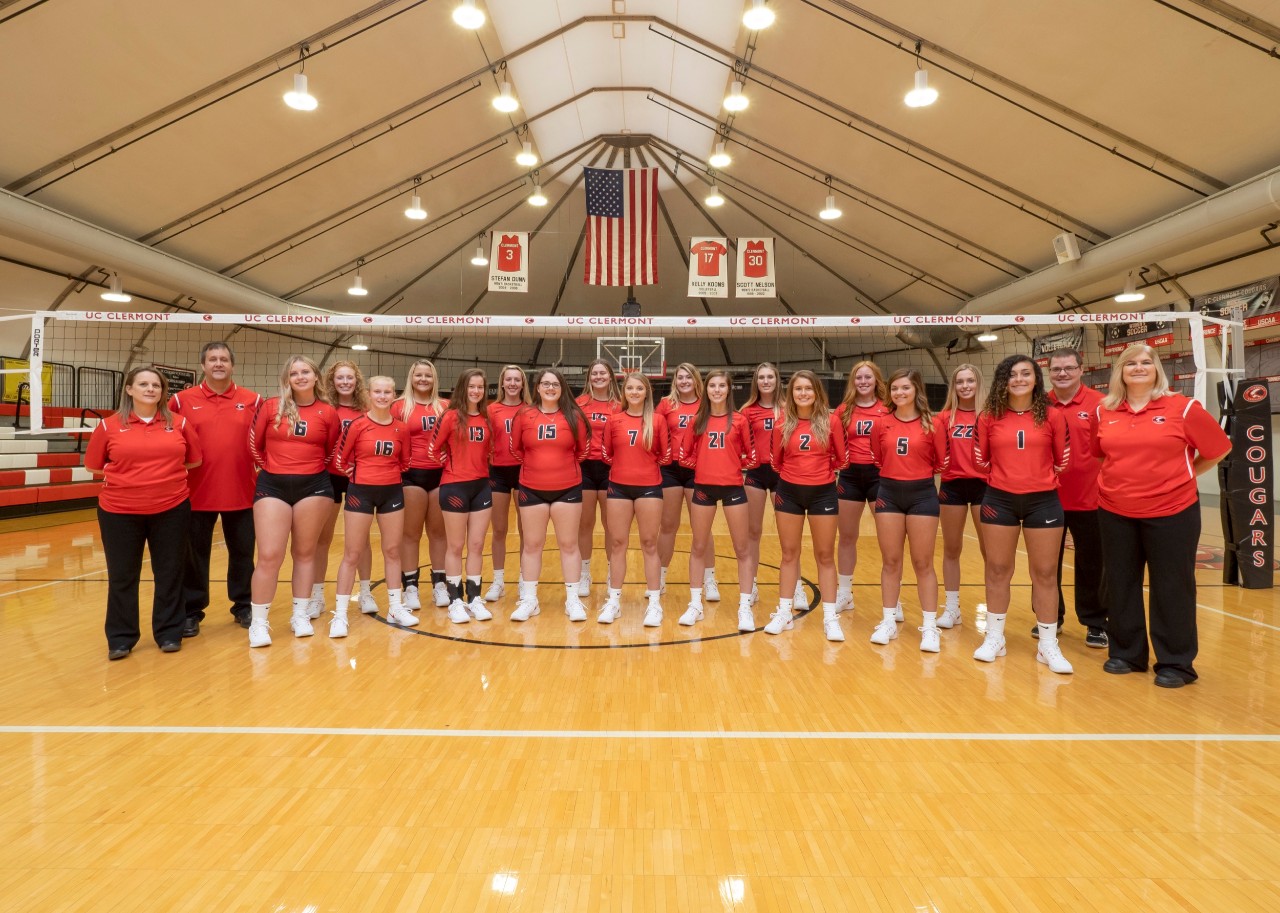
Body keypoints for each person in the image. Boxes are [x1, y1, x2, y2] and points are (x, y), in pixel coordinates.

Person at [1092, 344, 1230, 688]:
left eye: (1146, 362)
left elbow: (1219, 449)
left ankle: (1176, 662)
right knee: (1121, 583)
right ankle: (1126, 653)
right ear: (1120, 371)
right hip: (1114, 509)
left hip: (1173, 511)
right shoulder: (1104, 411)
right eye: (1130, 363)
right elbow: (1100, 455)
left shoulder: (1183, 408)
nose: (1138, 368)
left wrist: (1183, 476)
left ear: (1156, 369)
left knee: (1172, 586)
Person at [86, 366, 202, 660]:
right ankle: (121, 639)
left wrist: (160, 478)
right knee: (123, 575)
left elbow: (193, 460)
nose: (150, 389)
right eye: (143, 384)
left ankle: (169, 633)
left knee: (169, 573)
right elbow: (94, 465)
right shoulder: (109, 426)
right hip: (119, 512)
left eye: (156, 385)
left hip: (171, 509)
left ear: (163, 392)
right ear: (129, 389)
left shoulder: (179, 423)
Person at [972, 354, 1072, 673]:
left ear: (1035, 379)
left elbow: (1062, 460)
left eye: (1025, 374)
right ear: (1003, 380)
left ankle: (1047, 645)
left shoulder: (1053, 417)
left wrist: (1035, 478)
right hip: (999, 499)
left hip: (1042, 501)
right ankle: (995, 638)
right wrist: (1007, 478)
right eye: (1012, 374)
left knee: (1044, 573)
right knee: (998, 569)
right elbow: (980, 460)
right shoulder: (989, 416)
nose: (1018, 379)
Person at [248, 355, 342, 647]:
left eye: (305, 372)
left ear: (316, 377)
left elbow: (331, 450)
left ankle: (299, 615)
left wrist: (306, 471)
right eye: (294, 373)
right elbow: (254, 444)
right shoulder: (271, 406)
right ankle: (259, 624)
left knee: (304, 553)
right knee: (269, 556)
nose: (300, 377)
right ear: (286, 379)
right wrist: (275, 468)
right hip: (272, 485)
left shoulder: (327, 412)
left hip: (313, 486)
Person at [170, 343, 260, 636]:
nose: (218, 363)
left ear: (232, 366)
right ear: (203, 365)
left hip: (243, 491)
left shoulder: (253, 400)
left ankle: (244, 604)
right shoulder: (181, 401)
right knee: (194, 556)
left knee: (243, 553)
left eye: (224, 359)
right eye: (212, 359)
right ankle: (192, 611)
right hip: (196, 493)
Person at [764, 370, 846, 641]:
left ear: (817, 392)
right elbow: (775, 461)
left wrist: (819, 474)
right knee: (789, 554)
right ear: (791, 394)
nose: (803, 393)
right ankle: (784, 612)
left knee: (825, 555)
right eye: (798, 389)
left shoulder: (831, 421)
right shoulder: (781, 423)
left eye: (808, 389)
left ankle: (830, 618)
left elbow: (842, 459)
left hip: (823, 493)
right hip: (789, 491)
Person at [869, 368, 947, 652]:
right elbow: (878, 458)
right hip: (888, 492)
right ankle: (889, 620)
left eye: (905, 388)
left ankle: (929, 627)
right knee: (890, 561)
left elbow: (940, 462)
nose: (899, 393)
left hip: (922, 494)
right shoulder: (882, 423)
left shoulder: (933, 424)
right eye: (894, 389)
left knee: (923, 562)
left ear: (916, 390)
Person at [331, 375, 414, 636]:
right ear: (369, 394)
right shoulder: (357, 425)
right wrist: (361, 475)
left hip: (392, 492)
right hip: (360, 493)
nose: (382, 396)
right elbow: (339, 460)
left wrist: (384, 474)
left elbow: (405, 461)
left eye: (387, 392)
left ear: (394, 395)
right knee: (352, 553)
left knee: (392, 550)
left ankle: (395, 607)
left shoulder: (402, 428)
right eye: (377, 391)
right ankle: (340, 615)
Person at [675, 369, 758, 628]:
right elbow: (682, 455)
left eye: (722, 385)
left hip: (733, 488)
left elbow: (752, 456)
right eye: (712, 385)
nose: (717, 390)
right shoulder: (698, 420)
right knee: (698, 546)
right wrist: (701, 466)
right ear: (706, 389)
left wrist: (734, 465)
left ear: (729, 389)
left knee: (742, 549)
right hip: (703, 488)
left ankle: (745, 607)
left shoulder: (740, 421)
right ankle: (695, 604)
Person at [509, 368, 590, 621]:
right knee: (532, 545)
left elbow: (582, 451)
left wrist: (559, 467)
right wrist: (537, 466)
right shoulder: (524, 415)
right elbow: (515, 449)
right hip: (532, 487)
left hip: (567, 487)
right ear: (537, 387)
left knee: (569, 544)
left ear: (562, 387)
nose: (550, 388)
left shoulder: (574, 415)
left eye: (555, 384)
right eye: (545, 383)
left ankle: (573, 600)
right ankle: (530, 600)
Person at [1046, 348, 1109, 648]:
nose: (1062, 373)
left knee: (1092, 565)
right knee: (1045, 565)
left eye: (1068, 368)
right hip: (1047, 500)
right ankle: (1049, 618)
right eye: (1056, 369)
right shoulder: (1039, 404)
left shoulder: (1101, 404)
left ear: (1081, 370)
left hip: (1091, 500)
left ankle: (1095, 623)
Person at [599, 373, 670, 625]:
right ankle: (614, 601)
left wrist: (643, 469)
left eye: (639, 388)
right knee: (618, 544)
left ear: (646, 392)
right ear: (624, 392)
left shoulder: (658, 421)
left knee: (649, 544)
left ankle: (654, 604)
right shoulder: (614, 421)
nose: (634, 392)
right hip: (618, 487)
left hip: (649, 488)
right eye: (630, 388)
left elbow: (665, 455)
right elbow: (607, 454)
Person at [428, 369, 495, 624]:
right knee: (455, 545)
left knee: (477, 545)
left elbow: (490, 451)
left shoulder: (487, 419)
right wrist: (451, 466)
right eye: (471, 387)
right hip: (454, 486)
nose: (476, 391)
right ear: (462, 388)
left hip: (481, 487)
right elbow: (433, 450)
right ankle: (455, 600)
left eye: (480, 386)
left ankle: (474, 598)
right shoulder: (451, 417)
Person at [311, 361, 376, 620]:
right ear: (332, 381)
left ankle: (365, 592)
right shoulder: (324, 408)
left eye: (350, 377)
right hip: (327, 477)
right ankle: (316, 596)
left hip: (358, 477)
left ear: (357, 380)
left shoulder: (368, 409)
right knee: (321, 539)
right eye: (340, 378)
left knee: (361, 540)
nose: (345, 382)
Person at [833, 361, 892, 618]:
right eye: (859, 377)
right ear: (853, 381)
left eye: (868, 377)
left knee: (888, 541)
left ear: (877, 380)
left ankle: (894, 599)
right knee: (846, 537)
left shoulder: (888, 409)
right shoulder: (844, 410)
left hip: (880, 476)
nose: (863, 381)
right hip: (850, 476)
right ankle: (845, 593)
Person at [657, 363, 719, 599]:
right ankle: (660, 579)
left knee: (702, 529)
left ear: (695, 380)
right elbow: (656, 431)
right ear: (675, 381)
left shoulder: (707, 403)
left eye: (688, 377)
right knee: (668, 525)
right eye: (679, 378)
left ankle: (710, 579)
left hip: (698, 468)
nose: (684, 381)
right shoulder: (666, 404)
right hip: (671, 469)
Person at [935, 363, 988, 630]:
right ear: (953, 386)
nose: (965, 386)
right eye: (959, 382)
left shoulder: (991, 416)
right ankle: (952, 608)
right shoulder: (944, 418)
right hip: (952, 486)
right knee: (952, 549)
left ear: (978, 383)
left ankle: (994, 612)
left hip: (984, 487)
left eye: (970, 381)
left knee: (990, 552)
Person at [395, 360, 449, 611]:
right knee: (411, 534)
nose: (423, 379)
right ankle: (411, 587)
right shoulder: (399, 407)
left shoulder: (445, 407)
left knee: (439, 533)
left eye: (428, 375)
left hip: (440, 474)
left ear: (434, 378)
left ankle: (439, 584)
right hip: (410, 475)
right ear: (411, 377)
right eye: (419, 375)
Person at [576, 360, 622, 598]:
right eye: (594, 373)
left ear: (610, 376)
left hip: (611, 468)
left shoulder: (620, 404)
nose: (598, 376)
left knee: (611, 526)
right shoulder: (579, 403)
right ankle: (584, 573)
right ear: (589, 377)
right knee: (584, 524)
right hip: (584, 467)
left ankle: (611, 572)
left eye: (603, 372)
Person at [485, 365, 530, 602]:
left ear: (523, 384)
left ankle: (524, 580)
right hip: (498, 473)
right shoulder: (491, 410)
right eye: (508, 380)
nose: (513, 383)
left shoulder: (531, 410)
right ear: (502, 383)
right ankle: (498, 581)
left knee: (526, 530)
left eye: (517, 380)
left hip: (525, 472)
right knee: (499, 529)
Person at [740, 363, 782, 608]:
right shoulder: (747, 411)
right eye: (761, 377)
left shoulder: (789, 408)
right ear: (756, 382)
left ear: (777, 381)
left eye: (770, 377)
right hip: (755, 473)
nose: (766, 381)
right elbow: (741, 444)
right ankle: (752, 585)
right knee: (752, 532)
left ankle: (795, 586)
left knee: (788, 535)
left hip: (781, 474)